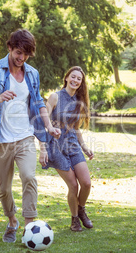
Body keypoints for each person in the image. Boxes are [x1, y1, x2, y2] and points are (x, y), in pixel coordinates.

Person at [0, 29, 60, 243]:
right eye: (18, 52)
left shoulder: (32, 73)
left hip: (24, 135)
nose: (21, 57)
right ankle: (12, 220)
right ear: (10, 48)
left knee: (29, 176)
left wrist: (48, 126)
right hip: (0, 139)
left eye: (26, 54)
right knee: (2, 187)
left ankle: (30, 226)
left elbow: (39, 101)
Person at [39, 66, 94, 232]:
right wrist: (42, 148)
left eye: (79, 79)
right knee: (73, 186)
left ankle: (81, 209)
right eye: (73, 77)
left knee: (86, 183)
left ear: (81, 83)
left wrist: (84, 146)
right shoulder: (55, 97)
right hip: (55, 147)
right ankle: (75, 219)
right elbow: (43, 123)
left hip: (73, 145)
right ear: (66, 77)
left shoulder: (79, 101)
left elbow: (75, 127)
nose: (75, 80)